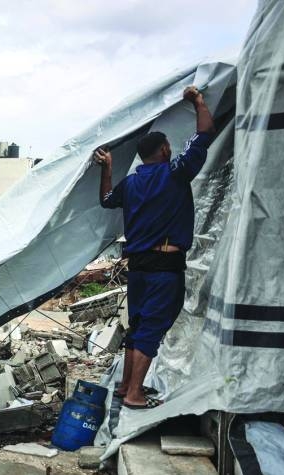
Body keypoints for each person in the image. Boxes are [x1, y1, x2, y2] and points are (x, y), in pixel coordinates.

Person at [94, 85, 214, 410]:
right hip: (164, 269)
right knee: (152, 328)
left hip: (139, 269)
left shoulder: (131, 182)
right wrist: (198, 101)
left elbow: (106, 200)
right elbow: (204, 134)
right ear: (164, 150)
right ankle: (135, 394)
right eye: (169, 147)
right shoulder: (174, 174)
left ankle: (124, 388)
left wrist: (107, 169)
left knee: (138, 326)